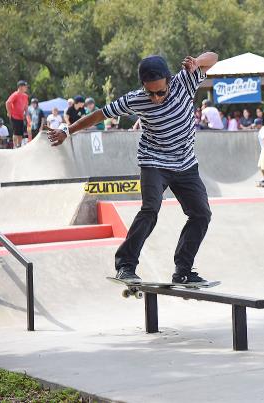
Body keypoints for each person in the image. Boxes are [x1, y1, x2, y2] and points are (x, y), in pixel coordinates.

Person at [48, 52, 219, 285]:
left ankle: (183, 271)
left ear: (169, 81)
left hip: (185, 164)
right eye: (151, 93)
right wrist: (67, 131)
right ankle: (126, 266)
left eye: (161, 92)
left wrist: (198, 63)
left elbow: (214, 56)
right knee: (150, 209)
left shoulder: (184, 82)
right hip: (154, 162)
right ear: (143, 87)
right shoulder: (135, 99)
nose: (156, 98)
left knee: (201, 214)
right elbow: (100, 114)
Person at [5, 80, 29, 148]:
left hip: (21, 117)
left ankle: (19, 146)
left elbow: (26, 106)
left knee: (20, 133)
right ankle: (15, 146)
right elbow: (7, 103)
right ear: (20, 87)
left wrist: (26, 114)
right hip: (14, 116)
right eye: (25, 86)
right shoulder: (15, 94)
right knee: (16, 132)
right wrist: (9, 113)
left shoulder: (25, 96)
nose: (26, 88)